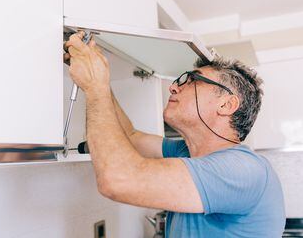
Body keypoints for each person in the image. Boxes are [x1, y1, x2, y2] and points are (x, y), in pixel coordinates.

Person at [64, 31, 286, 237]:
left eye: (193, 80)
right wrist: (96, 74)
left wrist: (96, 86)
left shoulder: (242, 170)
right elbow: (130, 136)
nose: (173, 87)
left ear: (227, 104)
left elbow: (118, 180)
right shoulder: (188, 152)